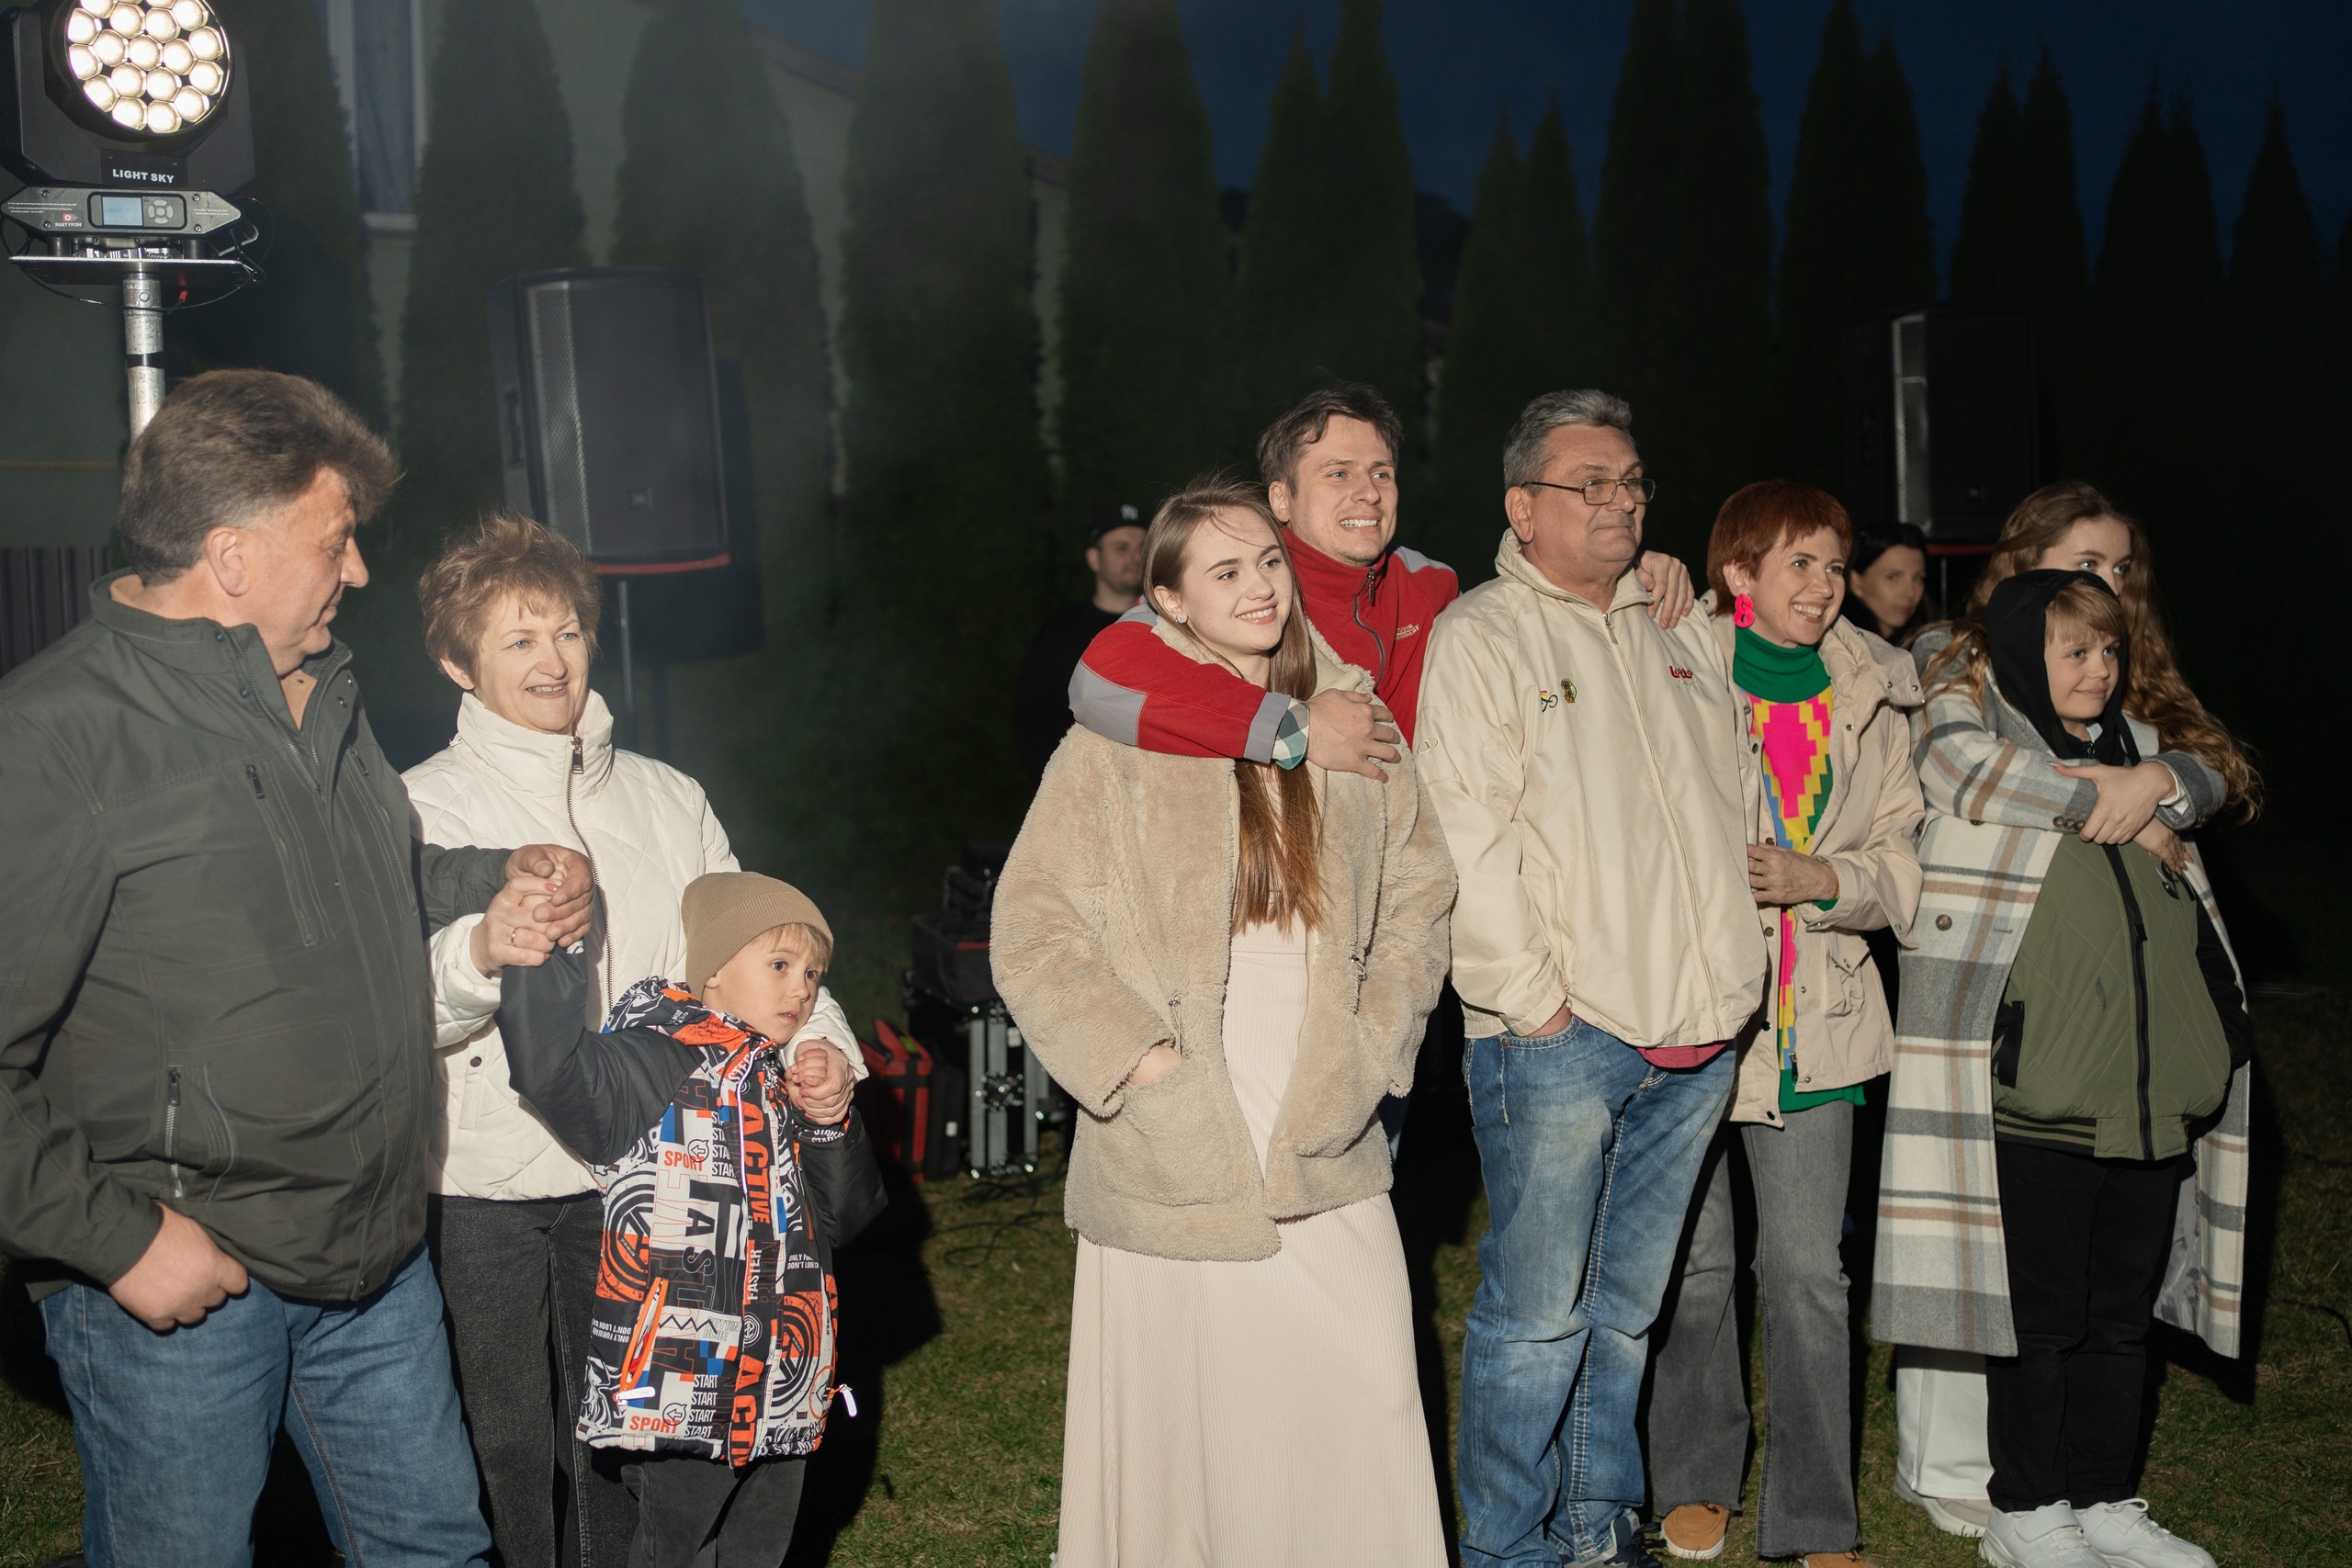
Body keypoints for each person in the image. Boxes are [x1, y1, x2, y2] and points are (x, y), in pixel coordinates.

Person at [0, 369, 594, 1568]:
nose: (357, 570)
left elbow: (367, 875)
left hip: (373, 1258)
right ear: (232, 555)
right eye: (335, 542)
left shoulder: (320, 695)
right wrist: (118, 1240)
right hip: (186, 1273)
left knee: (436, 1550)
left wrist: (493, 873)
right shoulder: (56, 736)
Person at [991, 480, 1457, 1567]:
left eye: (1268, 561)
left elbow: (1419, 897)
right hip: (1178, 1110)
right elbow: (1034, 927)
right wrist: (1139, 1065)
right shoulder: (1115, 742)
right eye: (1224, 570)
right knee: (1194, 1404)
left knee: (1368, 1378)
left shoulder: (1354, 718)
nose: (1259, 587)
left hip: (1323, 1089)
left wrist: (1378, 1042)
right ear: (1168, 600)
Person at [403, 513, 865, 1567]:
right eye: (518, 639)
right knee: (505, 1443)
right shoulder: (422, 805)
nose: (552, 660)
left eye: (567, 632)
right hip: (481, 1179)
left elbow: (758, 950)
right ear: (457, 663)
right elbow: (401, 1003)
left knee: (622, 1443)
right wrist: (486, 950)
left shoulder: (665, 797)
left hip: (655, 1173)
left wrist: (823, 1048)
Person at [1416, 390, 1765, 1568]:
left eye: (1631, 483)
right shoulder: (1483, 638)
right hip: (1559, 1040)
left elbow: (1731, 803)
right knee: (1534, 1318)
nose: (1620, 502)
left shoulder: (1680, 629)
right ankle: (1506, 1550)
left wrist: (1736, 980)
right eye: (1590, 484)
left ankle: (1594, 1527)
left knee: (1625, 1313)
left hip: (1697, 1036)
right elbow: (1466, 839)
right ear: (1523, 507)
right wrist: (1537, 1008)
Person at [1882, 481, 2258, 1541]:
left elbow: (2212, 768)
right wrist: (2116, 798)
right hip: (2030, 1062)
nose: (2109, 584)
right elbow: (1959, 767)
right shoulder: (1957, 661)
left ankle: (2095, 1496)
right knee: (2010, 1300)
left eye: (2120, 569)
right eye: (2087, 561)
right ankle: (1996, 1493)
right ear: (2023, 557)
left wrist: (2161, 780)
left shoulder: (2122, 699)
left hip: (2134, 1073)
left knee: (2107, 1310)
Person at [1645, 482, 1923, 1567]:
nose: (1822, 585)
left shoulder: (1875, 688)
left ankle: (1814, 1517)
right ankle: (1694, 1477)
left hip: (1819, 1022)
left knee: (1809, 1275)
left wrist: (1826, 879)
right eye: (1797, 562)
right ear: (1737, 575)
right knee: (1696, 1267)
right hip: (1688, 1016)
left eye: (1833, 563)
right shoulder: (1673, 662)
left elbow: (1903, 861)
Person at [484, 872, 887, 1568]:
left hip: (785, 1379)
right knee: (674, 1548)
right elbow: (551, 1072)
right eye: (781, 965)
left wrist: (828, 1123)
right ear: (714, 970)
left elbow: (844, 1217)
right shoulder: (653, 1058)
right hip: (683, 1383)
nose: (802, 990)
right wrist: (544, 954)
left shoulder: (785, 1077)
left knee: (762, 1547)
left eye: (813, 974)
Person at [1067, 381, 1695, 775]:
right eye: (1338, 473)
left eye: (1382, 472)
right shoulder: (1243, 590)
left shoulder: (1431, 585)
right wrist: (1294, 729)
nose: (1368, 491)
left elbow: (1530, 609)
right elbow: (1100, 680)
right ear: (1281, 498)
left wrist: (1622, 571)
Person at [1012, 502, 1145, 784]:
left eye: (1142, 548)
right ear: (1094, 559)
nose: (1135, 557)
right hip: (1082, 789)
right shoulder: (1058, 636)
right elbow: (1031, 724)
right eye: (1121, 548)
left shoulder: (1167, 627)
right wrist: (1059, 789)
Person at [1842, 523, 1931, 644]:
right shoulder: (1837, 644)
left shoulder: (1930, 643)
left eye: (1917, 578)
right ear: (1856, 582)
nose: (1910, 593)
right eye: (1893, 577)